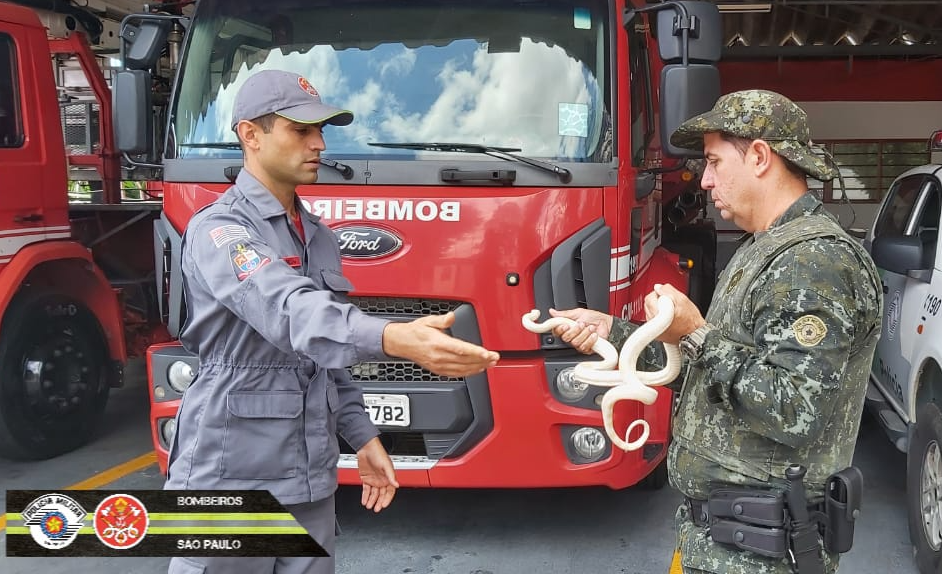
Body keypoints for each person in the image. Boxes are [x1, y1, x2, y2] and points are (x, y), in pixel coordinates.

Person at [165, 69, 500, 574]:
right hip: (229, 475)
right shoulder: (220, 230)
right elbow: (289, 309)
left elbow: (325, 357)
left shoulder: (317, 233)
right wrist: (392, 337)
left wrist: (363, 438)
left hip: (307, 481)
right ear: (250, 135)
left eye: (321, 130)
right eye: (300, 130)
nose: (319, 143)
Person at [550, 90, 882, 574]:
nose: (704, 180)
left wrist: (697, 333)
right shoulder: (764, 249)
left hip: (761, 552)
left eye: (713, 161)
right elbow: (716, 375)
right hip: (723, 540)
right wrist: (616, 332)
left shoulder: (812, 262)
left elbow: (793, 409)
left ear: (761, 157)